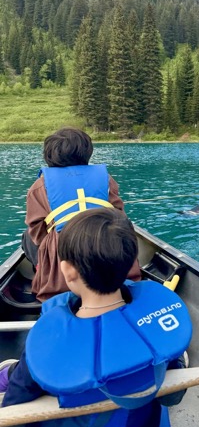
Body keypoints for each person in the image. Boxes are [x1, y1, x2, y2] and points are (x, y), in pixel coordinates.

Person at [0, 208, 191, 427]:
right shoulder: (154, 330)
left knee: (22, 375)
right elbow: (172, 397)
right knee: (168, 357)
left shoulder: (47, 340)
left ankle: (9, 373)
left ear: (67, 271)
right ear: (131, 262)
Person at [22, 127, 140, 301]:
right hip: (107, 247)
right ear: (87, 152)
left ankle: (44, 271)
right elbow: (119, 217)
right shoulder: (107, 180)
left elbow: (37, 231)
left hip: (63, 267)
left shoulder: (39, 187)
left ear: (49, 155)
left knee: (27, 237)